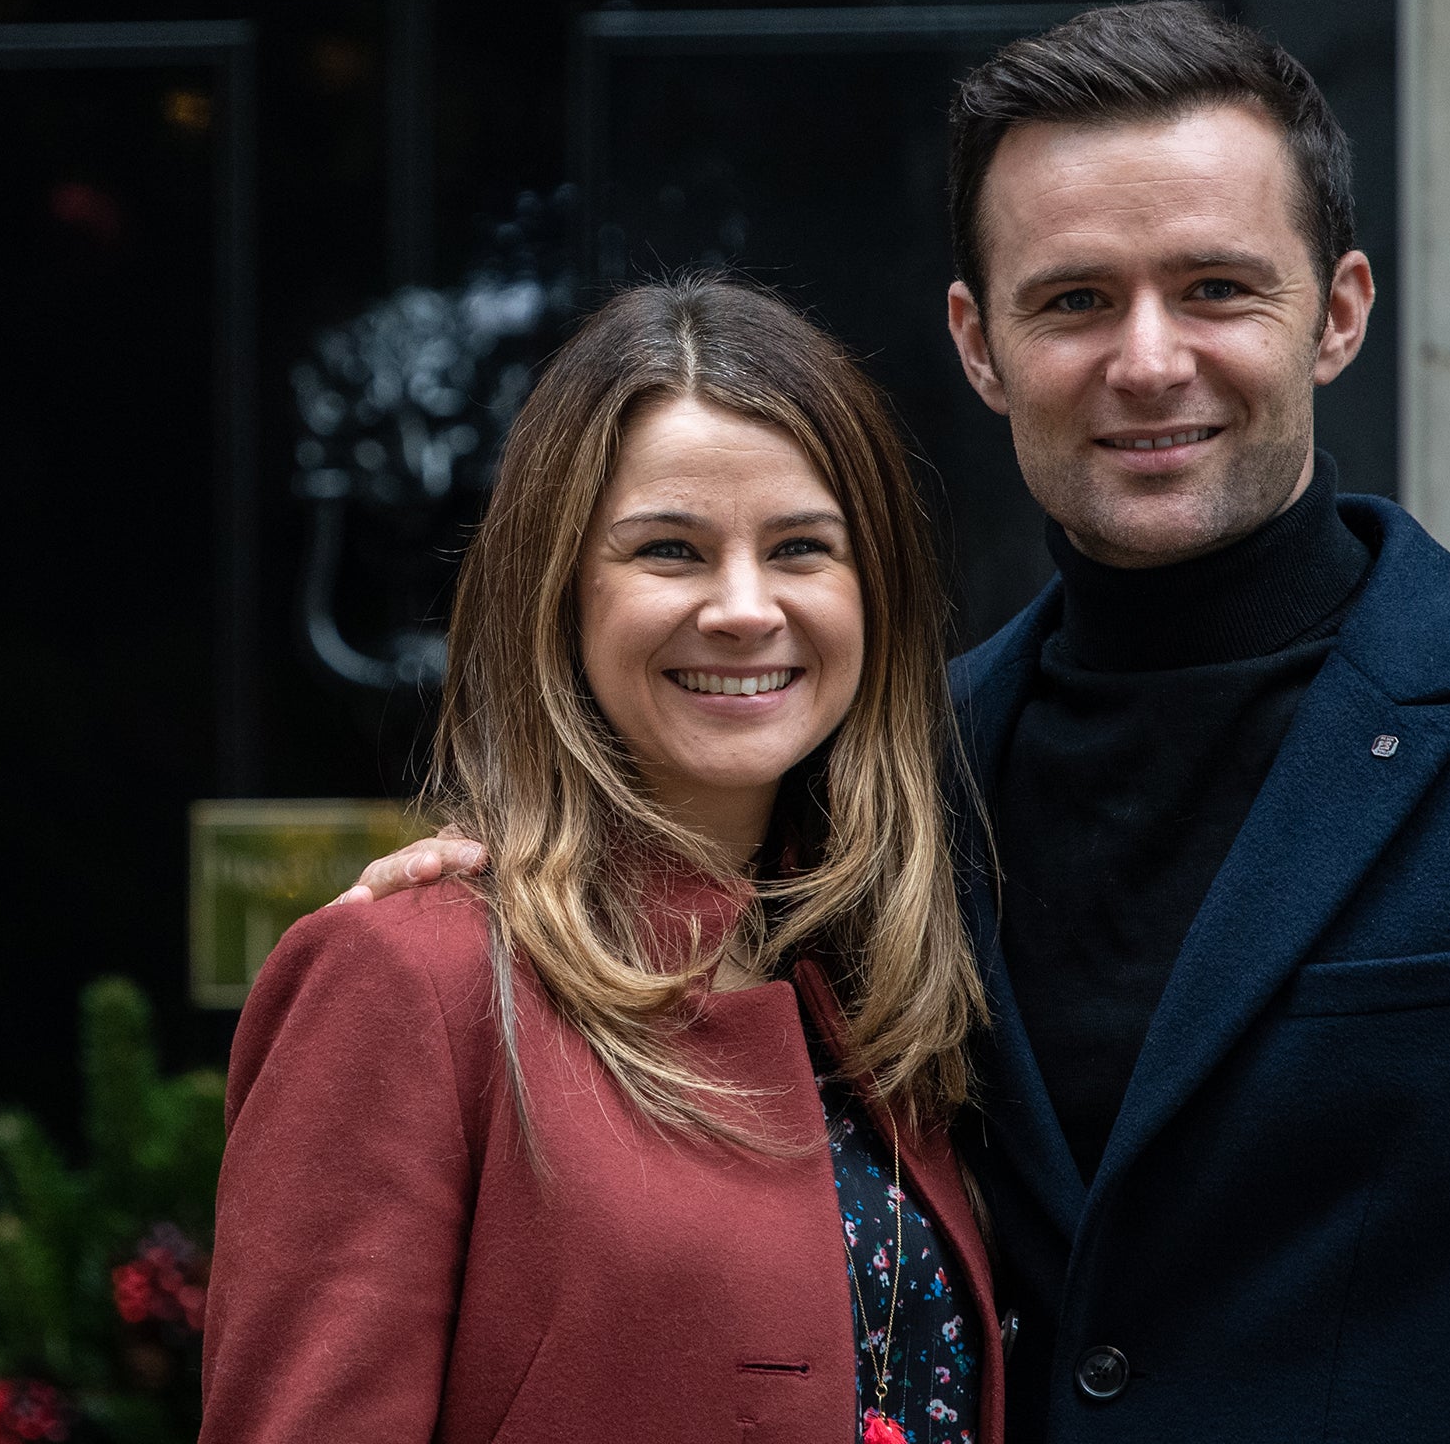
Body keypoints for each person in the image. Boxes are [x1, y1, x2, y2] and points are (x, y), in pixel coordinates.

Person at [354, 2, 1450, 1441]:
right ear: (978, 342)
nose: (1149, 362)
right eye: (1075, 300)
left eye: (1217, 287)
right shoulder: (887, 779)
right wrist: (493, 891)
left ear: (1338, 312)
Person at [203, 275, 1004, 1444]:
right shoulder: (409, 981)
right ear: (560, 592)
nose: (743, 607)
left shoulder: (885, 983)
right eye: (669, 550)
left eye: (799, 548)